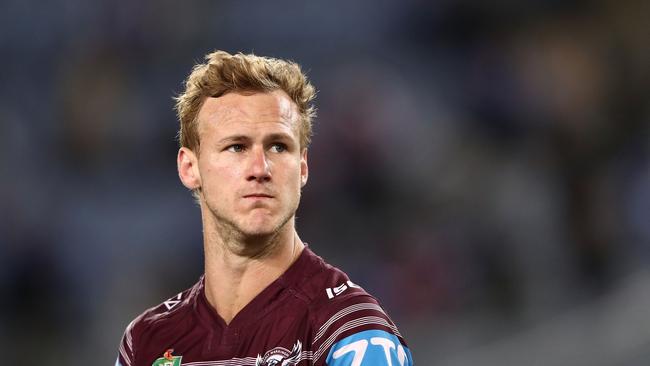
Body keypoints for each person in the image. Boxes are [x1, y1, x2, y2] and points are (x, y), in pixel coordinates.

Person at [115, 50, 414, 366]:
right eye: (237, 147)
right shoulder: (147, 342)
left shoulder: (351, 332)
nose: (260, 168)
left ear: (302, 168)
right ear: (190, 168)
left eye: (278, 146)